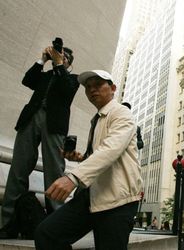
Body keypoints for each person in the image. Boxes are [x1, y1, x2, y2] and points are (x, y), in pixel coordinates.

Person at [34, 70, 142, 250]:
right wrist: (82, 158)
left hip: (118, 201)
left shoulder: (122, 113)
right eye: (88, 87)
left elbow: (111, 149)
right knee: (47, 233)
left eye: (98, 85)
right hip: (90, 196)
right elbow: (103, 154)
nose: (92, 90)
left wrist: (72, 177)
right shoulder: (98, 119)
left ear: (113, 88)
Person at [0, 44, 78, 239]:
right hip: (30, 120)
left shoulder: (72, 79)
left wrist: (60, 65)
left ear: (69, 63)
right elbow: (27, 80)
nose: (60, 57)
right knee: (18, 170)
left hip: (54, 126)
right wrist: (43, 60)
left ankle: (55, 225)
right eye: (58, 54)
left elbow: (66, 90)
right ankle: (7, 223)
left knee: (54, 172)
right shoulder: (44, 76)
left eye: (64, 56)